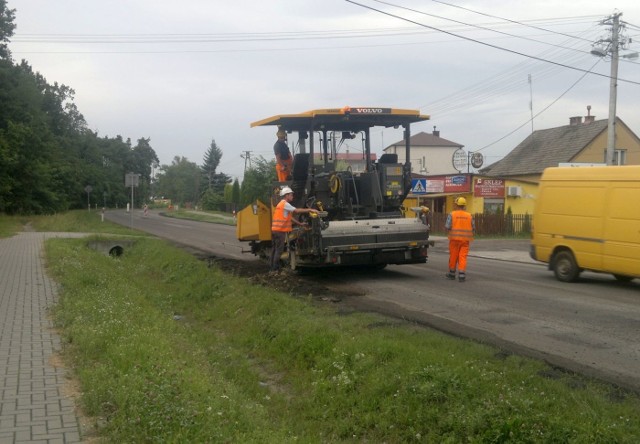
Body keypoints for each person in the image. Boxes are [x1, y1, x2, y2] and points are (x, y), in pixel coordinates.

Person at [270, 186, 319, 272]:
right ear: (286, 195)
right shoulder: (285, 204)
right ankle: (275, 269)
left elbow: (290, 218)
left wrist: (300, 223)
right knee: (279, 250)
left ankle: (272, 268)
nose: (292, 196)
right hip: (280, 231)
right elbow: (296, 211)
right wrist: (310, 209)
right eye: (291, 195)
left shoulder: (280, 204)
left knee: (274, 249)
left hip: (275, 230)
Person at [445, 196, 475, 282]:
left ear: (456, 205)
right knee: (463, 257)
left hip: (454, 239)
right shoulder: (469, 215)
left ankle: (452, 274)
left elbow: (447, 226)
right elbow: (473, 228)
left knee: (453, 256)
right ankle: (462, 275)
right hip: (465, 240)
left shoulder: (452, 214)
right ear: (464, 205)